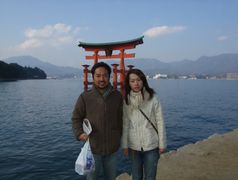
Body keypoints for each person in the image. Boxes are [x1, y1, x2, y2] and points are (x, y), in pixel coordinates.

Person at [72, 62, 123, 180]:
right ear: (93, 77)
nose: (101, 79)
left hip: (112, 149)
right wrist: (79, 133)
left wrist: (120, 137)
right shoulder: (85, 97)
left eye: (105, 75)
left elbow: (122, 119)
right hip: (93, 149)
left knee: (111, 177)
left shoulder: (117, 96)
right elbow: (76, 118)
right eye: (98, 75)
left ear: (109, 76)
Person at [121, 68, 166, 180]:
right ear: (128, 83)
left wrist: (162, 143)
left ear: (143, 81)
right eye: (132, 81)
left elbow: (160, 121)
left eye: (139, 80)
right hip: (134, 146)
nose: (136, 83)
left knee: (150, 176)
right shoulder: (126, 100)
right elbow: (125, 123)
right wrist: (125, 145)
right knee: (136, 176)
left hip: (151, 144)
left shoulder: (153, 98)